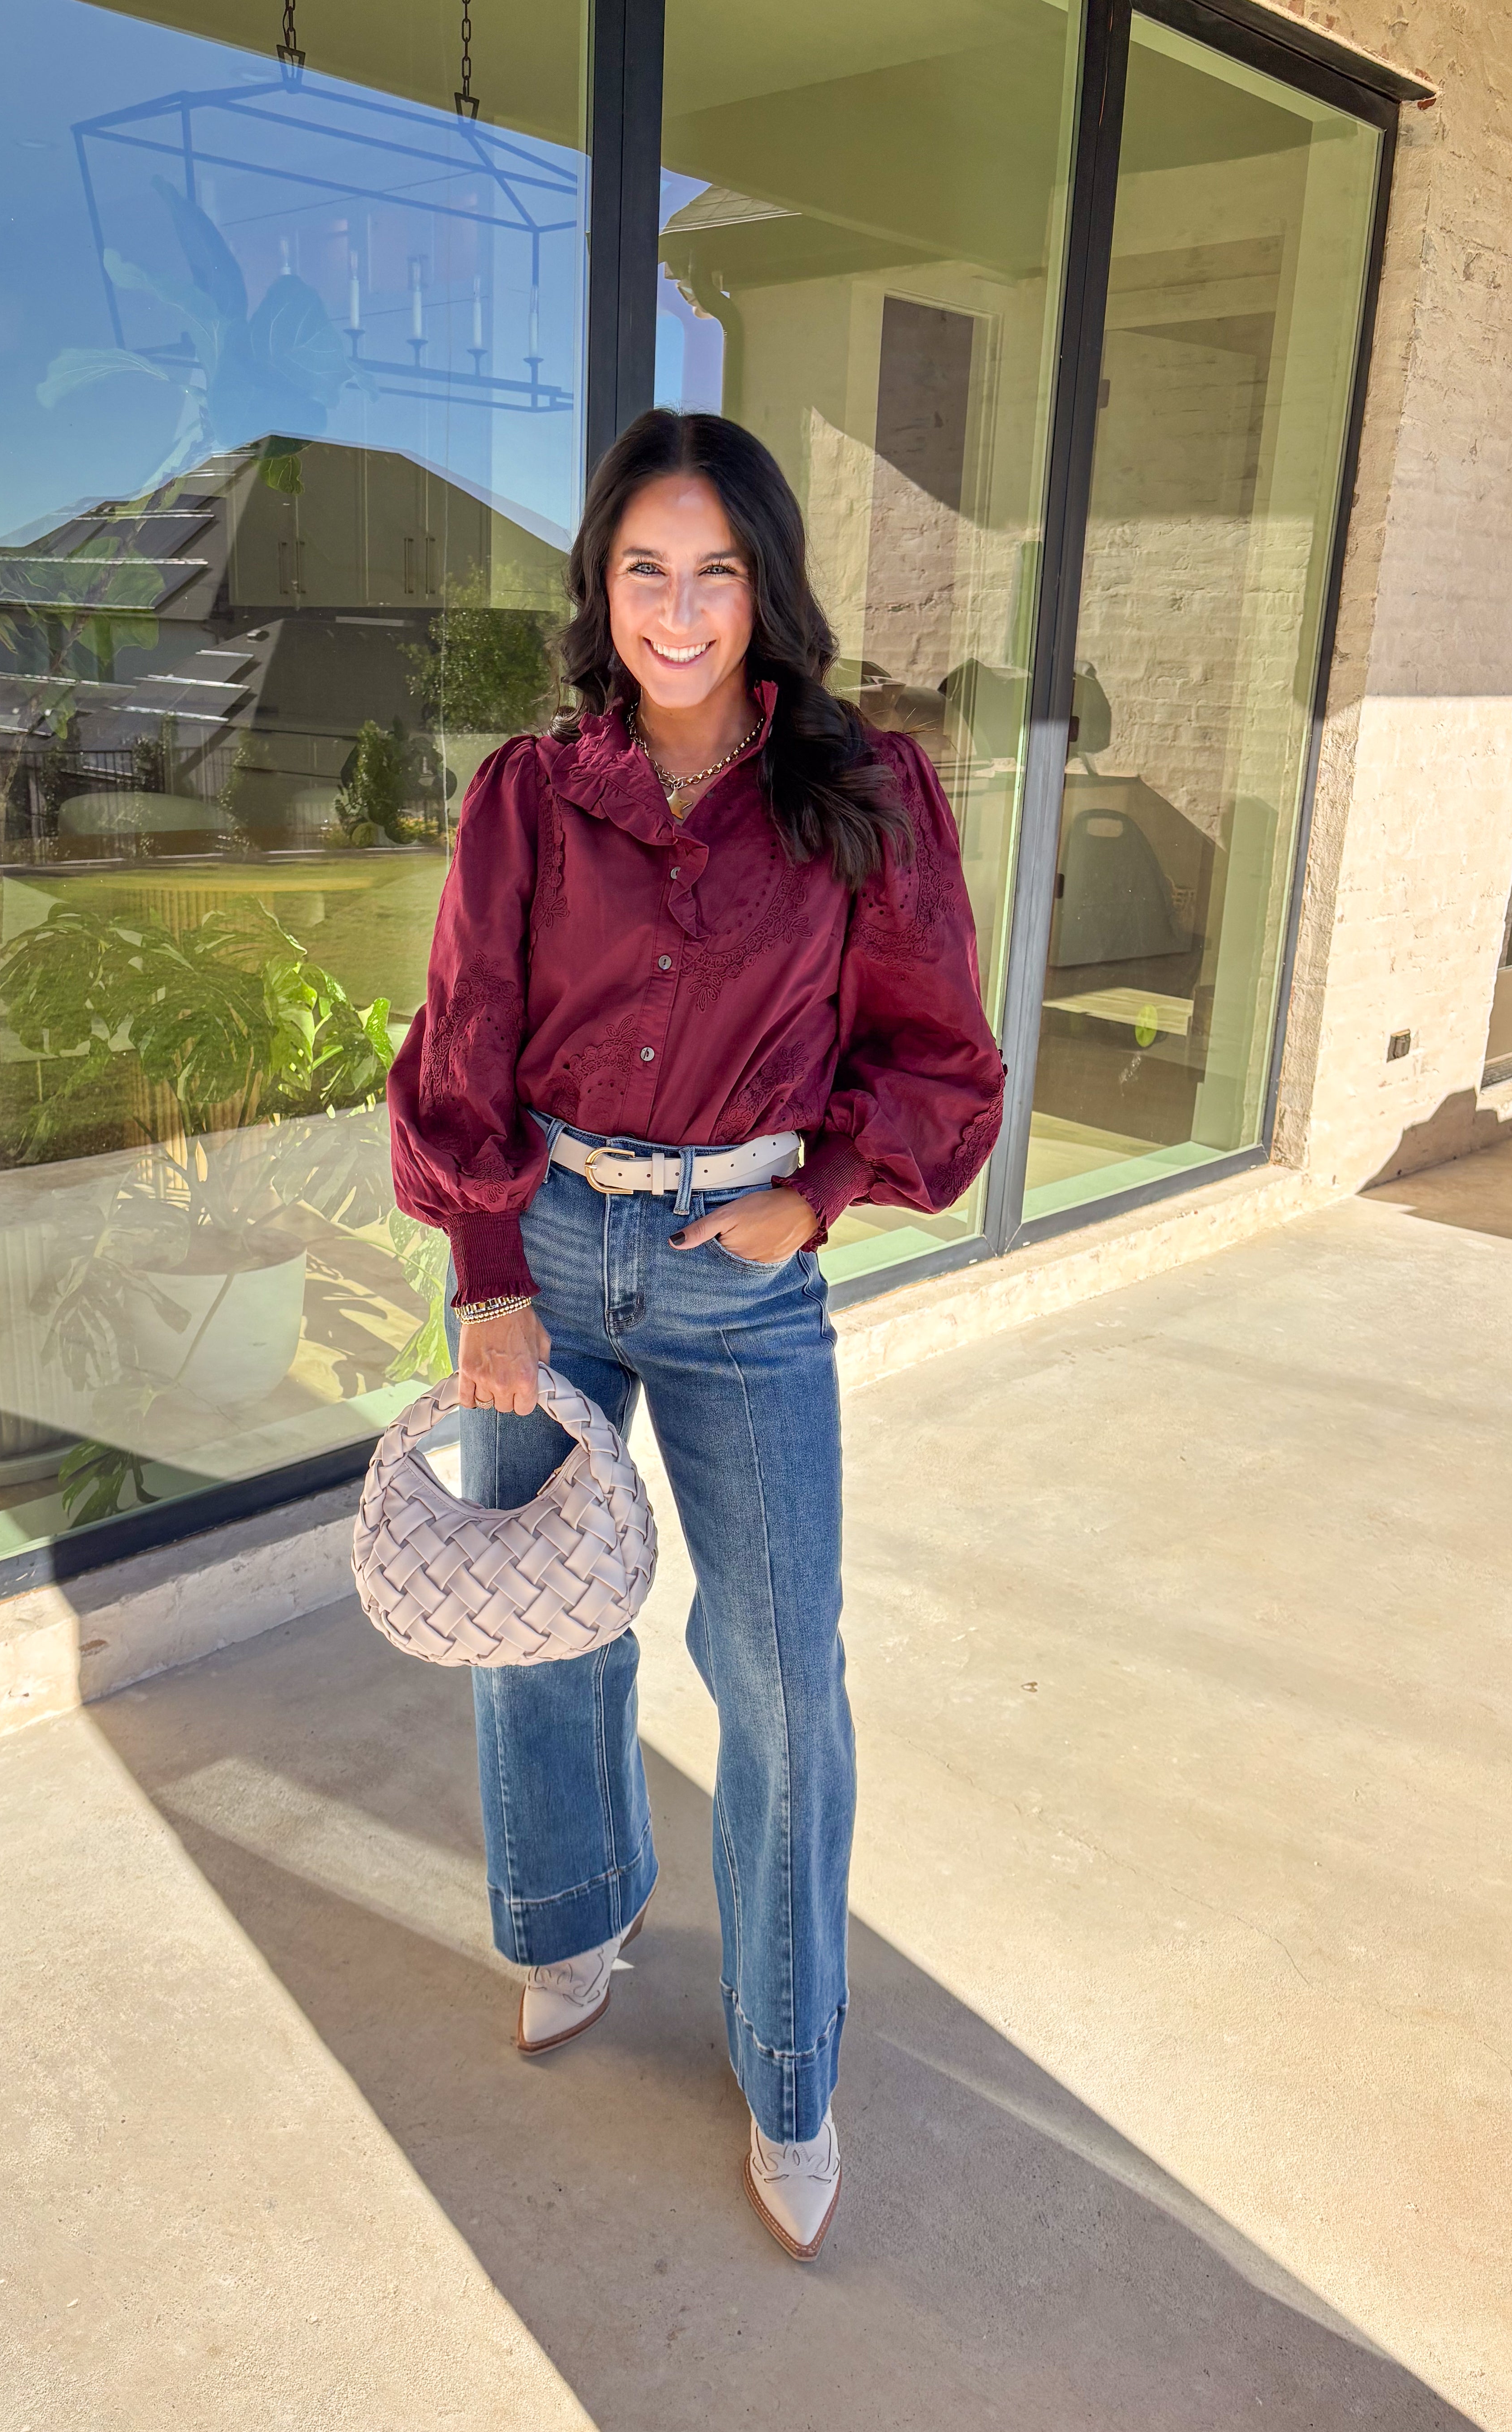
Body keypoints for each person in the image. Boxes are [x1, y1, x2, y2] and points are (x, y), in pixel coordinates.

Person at [388, 408, 1003, 2260]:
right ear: (604, 587)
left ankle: (788, 2054)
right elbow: (461, 1040)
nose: (677, 607)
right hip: (557, 1246)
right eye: (645, 570)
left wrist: (812, 1201)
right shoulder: (526, 794)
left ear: (764, 588)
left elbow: (939, 1058)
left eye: (713, 571)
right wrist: (492, 1274)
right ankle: (574, 1915)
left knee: (778, 1673)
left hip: (743, 1267)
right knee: (544, 1629)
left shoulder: (861, 789)